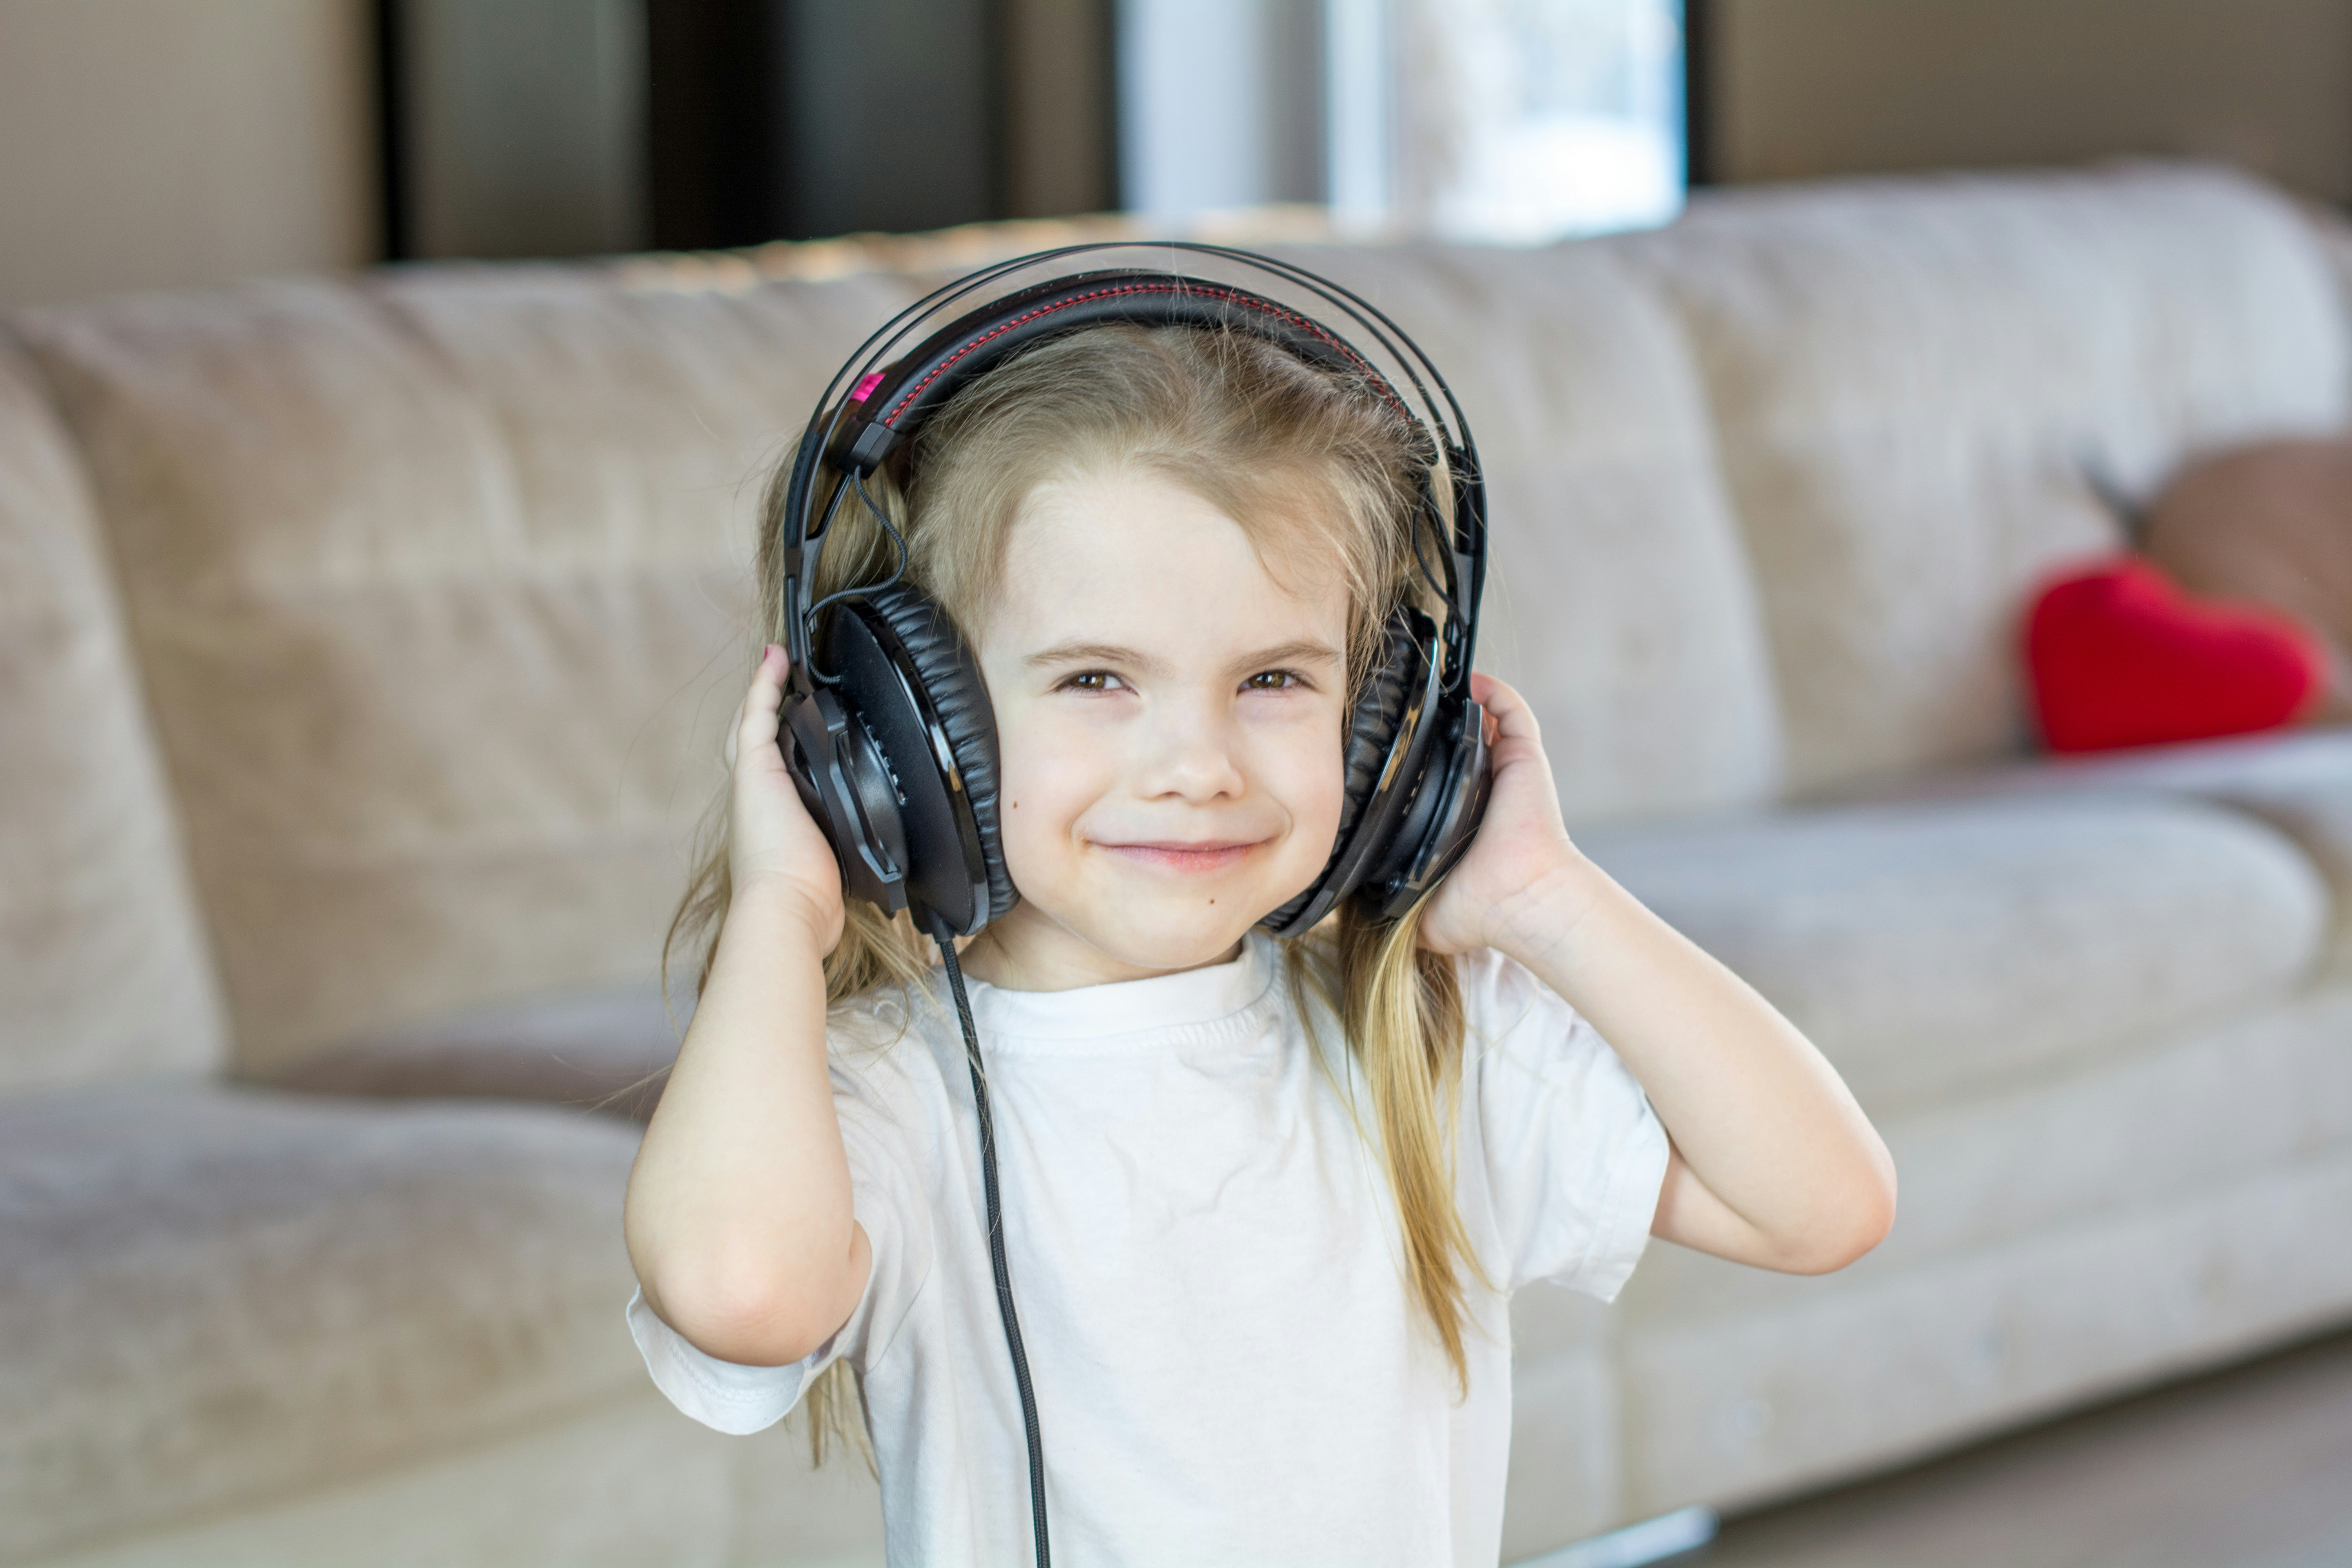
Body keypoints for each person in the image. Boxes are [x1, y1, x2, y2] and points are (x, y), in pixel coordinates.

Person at [621, 312, 1896, 1567]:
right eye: (1095, 680)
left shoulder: (1422, 1046)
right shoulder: (889, 1098)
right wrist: (786, 908)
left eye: (1275, 680)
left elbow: (1821, 1206)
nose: (1198, 767)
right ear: (900, 738)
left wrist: (1546, 898)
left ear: (1391, 729)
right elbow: (741, 1289)